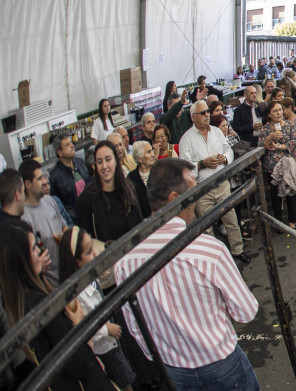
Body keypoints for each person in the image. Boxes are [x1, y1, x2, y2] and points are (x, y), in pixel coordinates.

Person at [114, 158, 260, 391]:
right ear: (175, 199)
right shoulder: (208, 250)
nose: (197, 199)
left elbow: (135, 326)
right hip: (220, 362)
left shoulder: (125, 263)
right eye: (193, 193)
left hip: (173, 369)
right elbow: (246, 311)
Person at [0, 219, 115, 391]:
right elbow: (77, 364)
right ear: (21, 259)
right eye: (33, 248)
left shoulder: (15, 301)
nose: (39, 251)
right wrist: (77, 323)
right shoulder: (39, 304)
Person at [59, 226, 137, 391]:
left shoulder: (90, 278)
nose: (94, 254)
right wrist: (105, 329)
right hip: (102, 351)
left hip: (111, 344)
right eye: (88, 252)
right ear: (76, 261)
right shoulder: (73, 296)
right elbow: (81, 326)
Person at [178, 101, 249, 264]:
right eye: (202, 113)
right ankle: (214, 258)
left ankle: (238, 250)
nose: (207, 115)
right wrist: (201, 164)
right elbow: (185, 167)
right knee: (207, 227)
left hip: (222, 184)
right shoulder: (186, 139)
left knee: (231, 221)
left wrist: (225, 158)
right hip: (203, 190)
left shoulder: (217, 132)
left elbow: (228, 150)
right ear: (193, 117)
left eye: (207, 111)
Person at [76, 141, 143, 249]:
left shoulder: (130, 189)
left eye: (108, 159)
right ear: (95, 166)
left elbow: (140, 225)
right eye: (99, 161)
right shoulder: (85, 201)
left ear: (116, 161)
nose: (104, 166)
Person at [19, 159, 68, 285]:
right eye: (39, 179)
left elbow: (63, 225)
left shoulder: (49, 201)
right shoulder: (25, 219)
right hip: (54, 286)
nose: (44, 182)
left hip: (69, 274)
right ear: (28, 184)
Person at [260, 100, 296, 227]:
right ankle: (278, 222)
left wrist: (281, 146)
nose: (278, 113)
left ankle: (292, 220)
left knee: (290, 193)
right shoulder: (265, 129)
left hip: (287, 164)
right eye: (275, 111)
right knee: (275, 196)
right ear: (269, 115)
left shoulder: (289, 125)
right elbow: (261, 146)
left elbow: (295, 141)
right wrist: (270, 137)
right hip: (272, 166)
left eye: (280, 110)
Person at [49, 134, 91, 221]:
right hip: (75, 219)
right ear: (59, 152)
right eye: (67, 145)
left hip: (91, 210)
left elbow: (90, 183)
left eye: (71, 143)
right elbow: (57, 205)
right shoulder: (54, 176)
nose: (72, 146)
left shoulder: (81, 163)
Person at [126, 140, 155, 218]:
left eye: (152, 151)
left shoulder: (159, 171)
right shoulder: (131, 178)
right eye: (149, 152)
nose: (152, 154)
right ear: (139, 159)